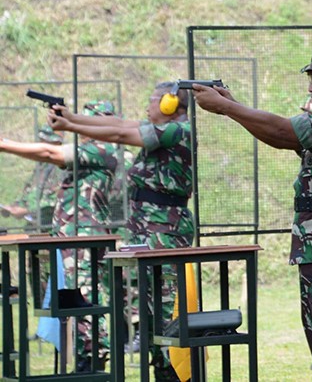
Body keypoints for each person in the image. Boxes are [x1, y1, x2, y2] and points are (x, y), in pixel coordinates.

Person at [192, 40, 312, 381]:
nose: (311, 86)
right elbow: (279, 137)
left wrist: (226, 108)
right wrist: (231, 105)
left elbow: (281, 130)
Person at [49, 84, 193, 382]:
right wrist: (72, 118)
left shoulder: (177, 130)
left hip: (165, 231)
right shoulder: (162, 130)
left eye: (152, 100)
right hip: (147, 230)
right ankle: (163, 370)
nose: (147, 106)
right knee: (150, 308)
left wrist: (70, 125)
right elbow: (118, 124)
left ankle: (173, 374)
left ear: (169, 104)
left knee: (164, 308)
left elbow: (119, 134)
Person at [0, 101, 119, 372]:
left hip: (84, 239)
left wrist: (5, 144)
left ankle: (92, 359)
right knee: (71, 301)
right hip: (69, 238)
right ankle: (83, 357)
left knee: (85, 300)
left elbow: (48, 152)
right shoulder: (91, 149)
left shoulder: (102, 148)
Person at [0, 125, 66, 230]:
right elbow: (31, 192)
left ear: (57, 143)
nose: (42, 144)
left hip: (50, 228)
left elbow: (56, 200)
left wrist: (26, 210)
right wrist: (14, 207)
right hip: (35, 226)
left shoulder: (61, 169)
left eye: (46, 141)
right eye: (41, 140)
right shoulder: (42, 166)